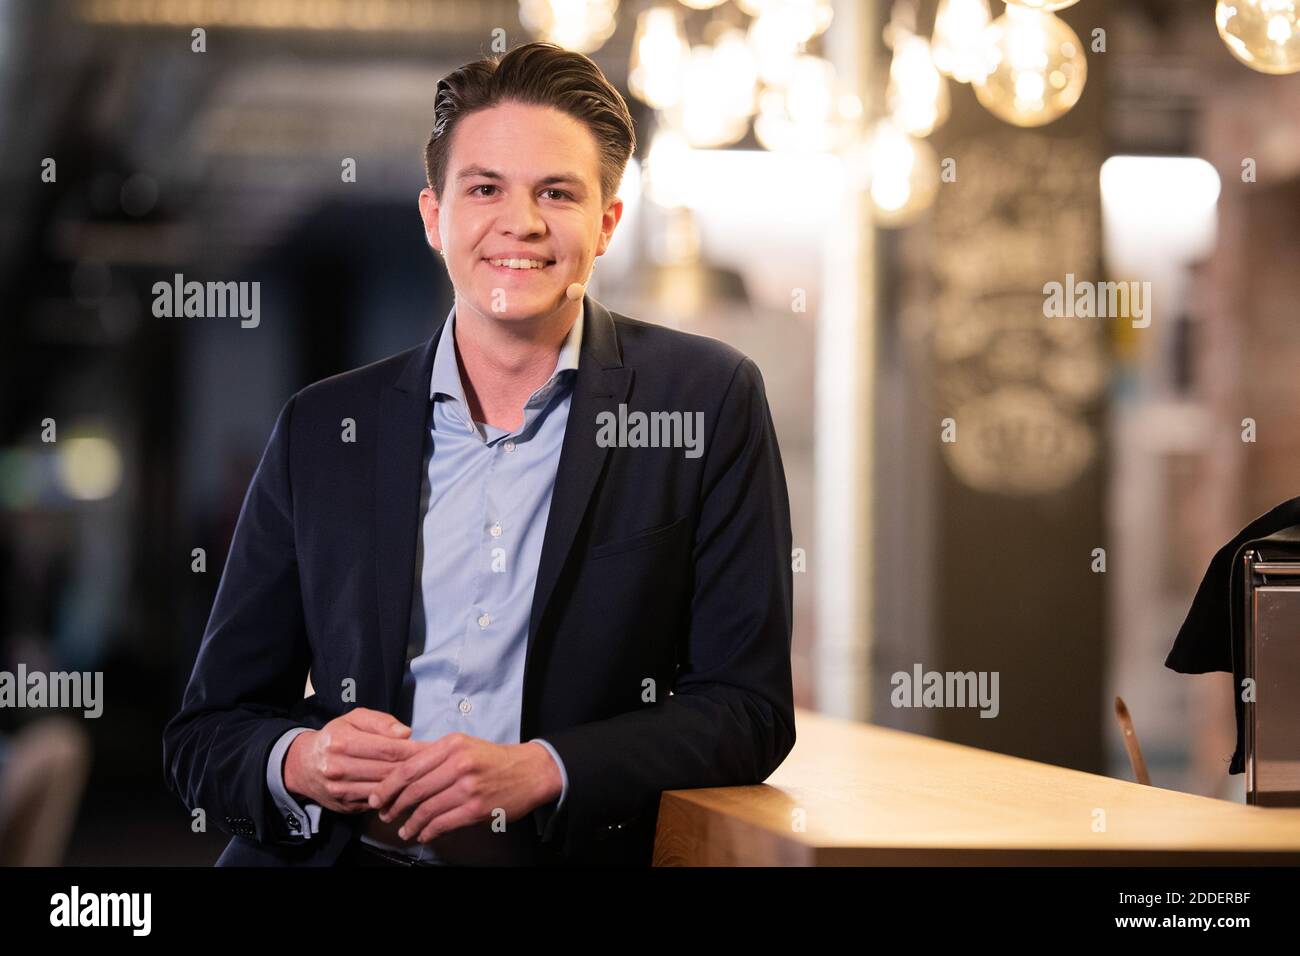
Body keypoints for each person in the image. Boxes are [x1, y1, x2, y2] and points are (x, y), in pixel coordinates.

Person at [163, 41, 795, 867]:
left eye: (557, 193)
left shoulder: (706, 401)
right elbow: (208, 733)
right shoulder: (323, 427)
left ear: (606, 222)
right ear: (436, 217)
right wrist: (301, 760)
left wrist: (545, 770)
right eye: (485, 188)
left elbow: (748, 709)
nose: (521, 223)